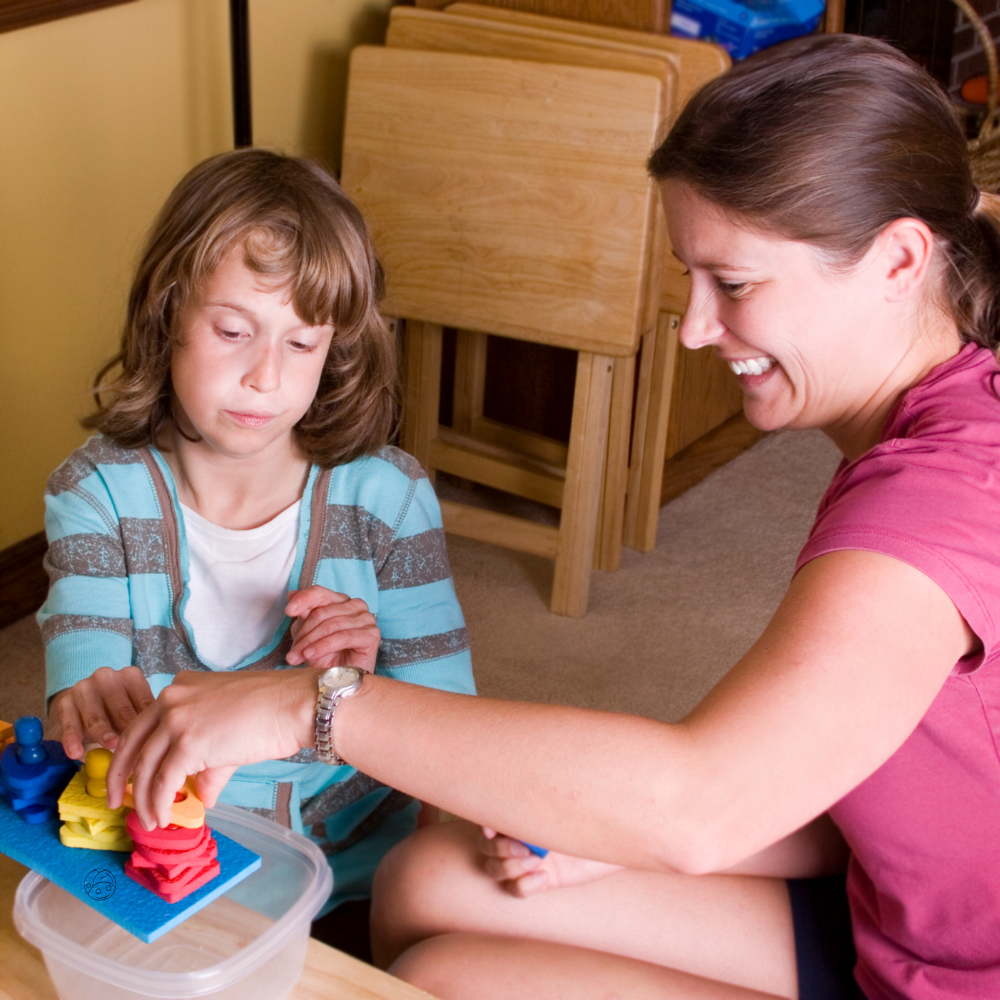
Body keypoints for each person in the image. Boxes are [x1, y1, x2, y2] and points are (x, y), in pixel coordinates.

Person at [104, 34, 1000, 999]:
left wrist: (306, 707)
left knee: (458, 975)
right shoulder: (933, 421)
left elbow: (701, 803)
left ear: (901, 257)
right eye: (689, 279)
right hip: (890, 907)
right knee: (429, 876)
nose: (696, 327)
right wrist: (603, 843)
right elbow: (857, 779)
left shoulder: (937, 502)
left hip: (950, 976)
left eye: (733, 285)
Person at [38, 149, 476, 927]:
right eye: (235, 330)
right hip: (164, 872)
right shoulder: (95, 493)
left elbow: (456, 738)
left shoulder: (389, 498)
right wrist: (85, 701)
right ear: (169, 310)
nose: (266, 377)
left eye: (301, 344)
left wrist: (363, 688)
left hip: (357, 877)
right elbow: (90, 693)